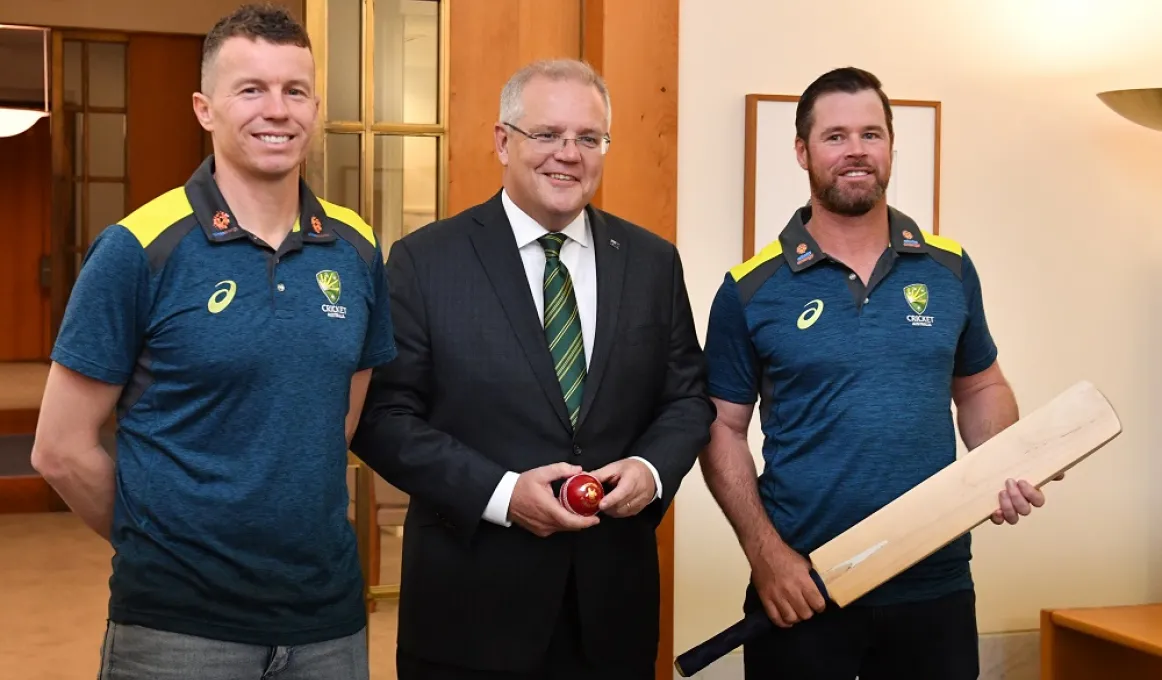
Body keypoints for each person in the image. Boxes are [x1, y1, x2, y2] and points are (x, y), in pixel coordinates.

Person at [30, 5, 396, 679]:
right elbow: (59, 450)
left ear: (317, 107)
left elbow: (335, 421)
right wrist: (161, 546)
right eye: (250, 89)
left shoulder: (356, 247)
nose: (276, 110)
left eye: (294, 91)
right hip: (177, 629)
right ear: (205, 108)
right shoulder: (138, 248)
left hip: (327, 623)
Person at [349, 58, 715, 679]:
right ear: (502, 141)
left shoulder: (652, 262)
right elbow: (383, 418)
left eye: (588, 138)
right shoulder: (425, 261)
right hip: (470, 618)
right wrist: (503, 495)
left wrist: (652, 470)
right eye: (546, 135)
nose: (567, 155)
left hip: (611, 619)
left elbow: (687, 399)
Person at [699, 66, 1057, 680]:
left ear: (891, 146)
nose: (856, 150)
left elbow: (980, 385)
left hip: (935, 584)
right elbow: (719, 429)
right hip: (803, 587)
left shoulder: (950, 268)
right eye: (835, 136)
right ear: (802, 151)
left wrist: (1000, 464)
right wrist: (767, 559)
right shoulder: (750, 289)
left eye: (871, 133)